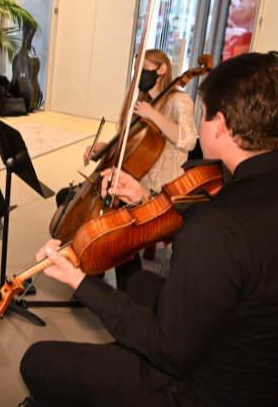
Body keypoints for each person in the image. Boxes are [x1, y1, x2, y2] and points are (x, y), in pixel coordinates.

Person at [19, 51, 278, 407]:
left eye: (204, 114)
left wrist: (81, 282)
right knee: (140, 283)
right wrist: (145, 195)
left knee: (37, 361)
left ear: (220, 125)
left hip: (208, 390)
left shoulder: (214, 233)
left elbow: (171, 352)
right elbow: (236, 229)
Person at [61, 49, 197, 288]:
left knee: (116, 226)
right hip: (133, 183)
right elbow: (129, 143)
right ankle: (92, 274)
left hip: (159, 194)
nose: (138, 74)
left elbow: (189, 140)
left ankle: (128, 292)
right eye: (136, 70)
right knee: (68, 197)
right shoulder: (142, 101)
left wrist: (152, 114)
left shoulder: (180, 100)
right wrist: (104, 148)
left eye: (142, 68)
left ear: (161, 69)